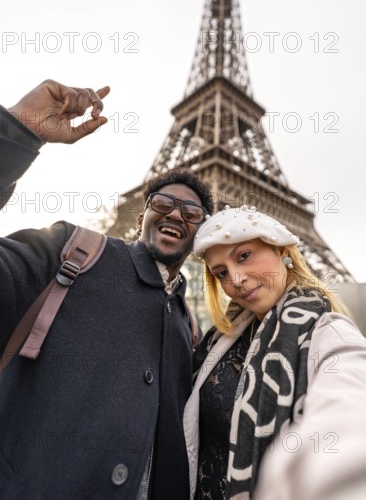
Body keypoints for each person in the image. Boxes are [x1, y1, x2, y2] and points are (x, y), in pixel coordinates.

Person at [0, 80, 214, 499]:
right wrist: (16, 133)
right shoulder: (68, 253)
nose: (176, 215)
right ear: (140, 220)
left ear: (201, 235)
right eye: (162, 204)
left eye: (192, 212)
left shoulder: (189, 329)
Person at [183, 205, 366, 500]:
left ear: (281, 249)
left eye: (244, 256)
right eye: (221, 273)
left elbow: (351, 408)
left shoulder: (329, 332)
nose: (236, 280)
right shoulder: (221, 340)